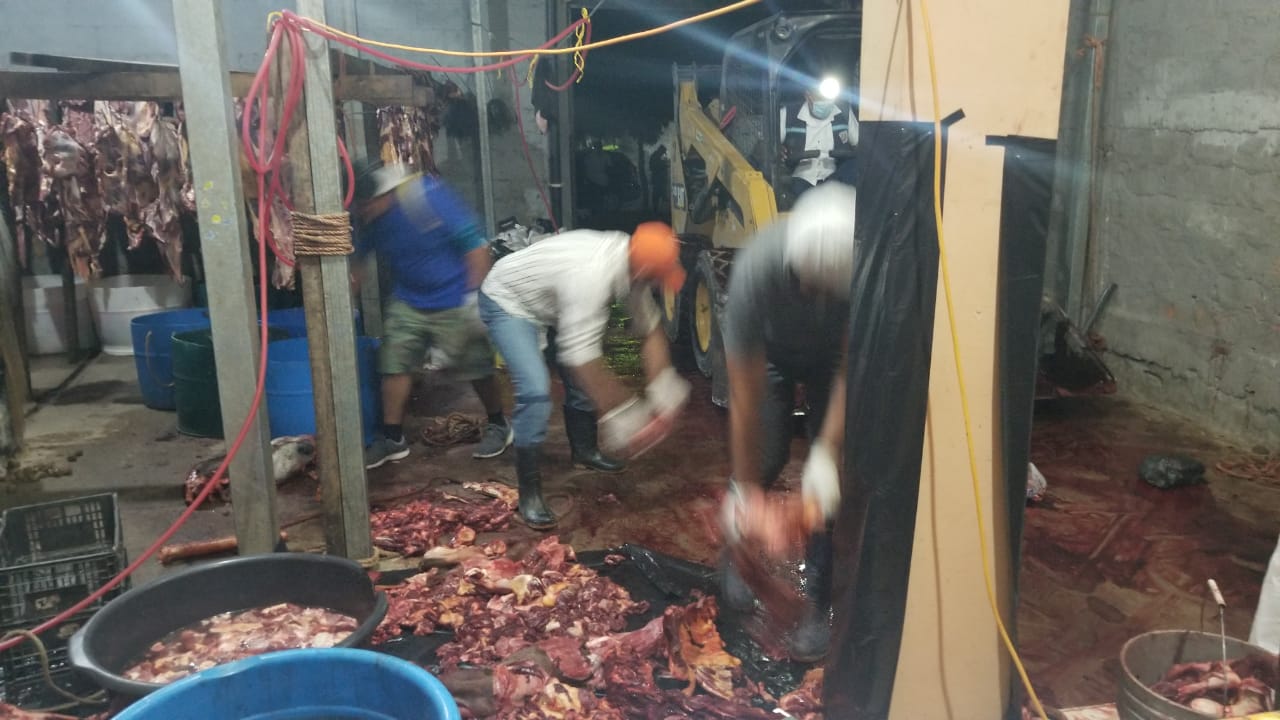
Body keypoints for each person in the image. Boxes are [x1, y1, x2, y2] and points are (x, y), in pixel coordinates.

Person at [717, 181, 857, 662]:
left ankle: (818, 598)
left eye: (822, 289)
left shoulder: (857, 273)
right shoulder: (757, 268)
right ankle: (737, 554)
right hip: (772, 354)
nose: (810, 293)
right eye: (804, 282)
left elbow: (849, 367)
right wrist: (745, 489)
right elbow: (744, 394)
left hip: (829, 361)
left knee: (828, 488)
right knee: (767, 454)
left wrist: (827, 452)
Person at [478, 222, 692, 530]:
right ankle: (529, 491)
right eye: (659, 278)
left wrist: (664, 390)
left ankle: (585, 451)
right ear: (645, 270)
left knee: (584, 365)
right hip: (509, 299)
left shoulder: (632, 264)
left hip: (550, 299)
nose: (659, 285)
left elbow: (650, 331)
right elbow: (580, 355)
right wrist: (627, 415)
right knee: (536, 390)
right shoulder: (592, 274)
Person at [350, 160, 512, 469]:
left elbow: (476, 246)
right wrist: (348, 305)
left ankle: (498, 424)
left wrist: (474, 298)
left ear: (382, 195)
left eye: (366, 206)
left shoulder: (424, 196)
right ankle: (393, 439)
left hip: (454, 295)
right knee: (393, 364)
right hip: (408, 298)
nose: (362, 212)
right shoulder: (369, 218)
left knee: (475, 366)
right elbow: (359, 262)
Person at [780, 73, 858, 201]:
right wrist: (778, 149)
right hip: (801, 178)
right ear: (808, 96)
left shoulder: (844, 113)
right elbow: (768, 146)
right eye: (820, 98)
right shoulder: (788, 114)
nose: (825, 102)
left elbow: (860, 144)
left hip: (834, 178)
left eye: (828, 98)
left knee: (855, 166)